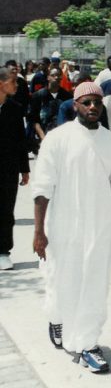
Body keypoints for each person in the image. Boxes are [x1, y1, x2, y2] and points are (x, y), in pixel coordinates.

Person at [31, 81, 111, 373]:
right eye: (86, 102)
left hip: (101, 228)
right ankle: (57, 318)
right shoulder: (57, 138)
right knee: (62, 282)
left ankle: (87, 344)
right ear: (74, 105)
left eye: (96, 103)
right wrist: (39, 232)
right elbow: (42, 188)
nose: (92, 108)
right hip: (63, 227)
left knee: (95, 287)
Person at [0, 66, 30, 271]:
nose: (17, 85)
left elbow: (21, 140)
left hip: (7, 169)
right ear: (1, 83)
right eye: (13, 82)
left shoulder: (15, 108)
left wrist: (24, 169)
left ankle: (3, 252)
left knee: (5, 210)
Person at [28, 67, 72, 149]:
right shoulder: (38, 96)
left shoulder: (67, 96)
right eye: (53, 75)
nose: (56, 77)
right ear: (48, 77)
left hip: (62, 140)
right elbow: (34, 119)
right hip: (43, 139)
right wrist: (43, 138)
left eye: (59, 75)